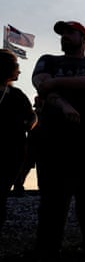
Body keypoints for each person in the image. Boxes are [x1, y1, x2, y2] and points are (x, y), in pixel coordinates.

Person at [31, 21, 85, 261]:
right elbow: (40, 83)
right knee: (51, 205)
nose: (64, 36)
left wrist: (55, 85)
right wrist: (61, 101)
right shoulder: (48, 60)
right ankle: (46, 252)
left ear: (84, 38)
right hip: (52, 144)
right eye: (62, 33)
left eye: (70, 32)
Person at [0, 49, 36, 231]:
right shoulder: (15, 95)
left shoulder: (17, 95)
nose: (19, 71)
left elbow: (32, 117)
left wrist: (27, 124)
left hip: (12, 154)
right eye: (16, 66)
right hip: (10, 152)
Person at [12, 96, 43, 197]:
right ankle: (18, 188)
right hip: (32, 145)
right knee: (25, 167)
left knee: (35, 168)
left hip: (37, 145)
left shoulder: (39, 114)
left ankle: (19, 188)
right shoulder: (35, 115)